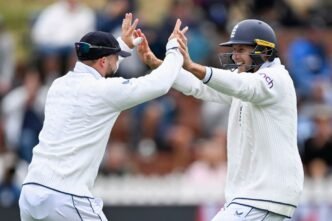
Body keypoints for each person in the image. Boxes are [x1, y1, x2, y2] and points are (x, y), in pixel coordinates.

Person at [19, 13, 187, 221]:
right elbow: (160, 84)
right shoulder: (104, 91)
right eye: (116, 57)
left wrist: (121, 45)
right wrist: (173, 51)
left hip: (31, 192)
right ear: (102, 61)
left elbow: (98, 61)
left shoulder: (58, 85)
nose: (118, 62)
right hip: (66, 196)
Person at [137, 19, 304, 220]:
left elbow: (241, 85)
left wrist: (191, 65)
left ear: (264, 51)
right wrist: (159, 65)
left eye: (241, 49)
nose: (235, 56)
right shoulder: (245, 79)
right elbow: (201, 86)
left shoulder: (276, 79)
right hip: (255, 196)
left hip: (263, 195)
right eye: (234, 49)